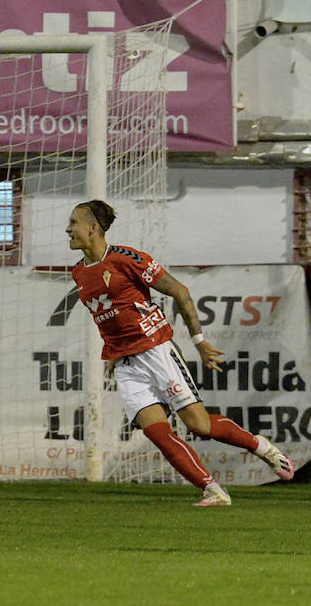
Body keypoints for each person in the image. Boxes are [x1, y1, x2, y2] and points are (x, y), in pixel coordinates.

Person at [66, 200, 294, 505]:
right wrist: (115, 353)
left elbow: (180, 291)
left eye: (74, 223)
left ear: (93, 228)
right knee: (157, 433)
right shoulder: (79, 272)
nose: (68, 229)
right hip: (125, 363)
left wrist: (199, 341)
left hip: (157, 351)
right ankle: (212, 490)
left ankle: (261, 447)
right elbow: (107, 317)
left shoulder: (127, 259)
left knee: (200, 426)